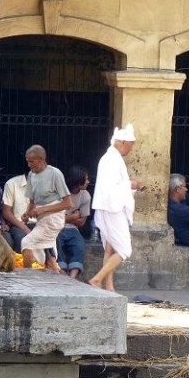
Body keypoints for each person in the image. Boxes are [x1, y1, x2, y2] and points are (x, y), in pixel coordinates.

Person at [89, 124, 140, 291]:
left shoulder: (111, 158)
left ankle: (109, 286)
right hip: (112, 208)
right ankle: (97, 279)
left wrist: (127, 185)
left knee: (110, 248)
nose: (130, 150)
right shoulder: (111, 159)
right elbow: (112, 186)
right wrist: (131, 184)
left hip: (106, 206)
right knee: (125, 249)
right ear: (123, 142)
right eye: (131, 146)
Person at [19, 145, 71, 271]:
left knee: (27, 242)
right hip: (41, 218)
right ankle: (55, 271)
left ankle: (27, 276)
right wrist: (26, 214)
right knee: (46, 250)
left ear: (42, 159)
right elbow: (32, 200)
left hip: (54, 218)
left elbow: (68, 203)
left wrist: (42, 209)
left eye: (31, 161)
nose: (29, 165)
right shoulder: (31, 175)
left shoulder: (55, 173)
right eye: (27, 161)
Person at [57, 166, 91, 279]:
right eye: (85, 179)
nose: (88, 181)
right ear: (77, 181)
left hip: (73, 229)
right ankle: (61, 271)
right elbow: (54, 218)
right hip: (57, 227)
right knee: (56, 244)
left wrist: (67, 217)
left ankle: (72, 277)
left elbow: (82, 223)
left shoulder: (85, 196)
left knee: (79, 246)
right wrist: (74, 216)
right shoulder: (59, 192)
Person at [1, 168, 31, 253]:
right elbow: (6, 212)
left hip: (38, 223)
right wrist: (24, 228)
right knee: (21, 239)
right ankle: (22, 265)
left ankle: (51, 263)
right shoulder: (11, 184)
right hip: (18, 224)